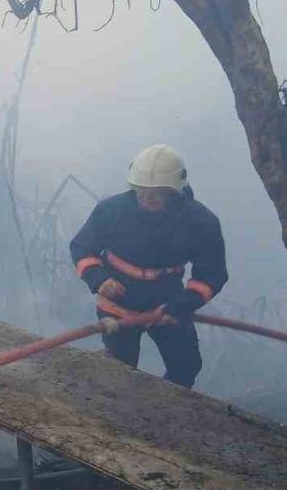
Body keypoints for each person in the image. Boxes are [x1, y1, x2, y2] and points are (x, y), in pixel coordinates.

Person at [69, 144, 228, 388]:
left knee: (185, 366)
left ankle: (165, 415)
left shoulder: (200, 222)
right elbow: (82, 248)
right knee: (119, 371)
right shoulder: (111, 211)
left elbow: (211, 274)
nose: (146, 197)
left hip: (167, 308)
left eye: (156, 192)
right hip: (118, 307)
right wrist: (98, 279)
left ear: (175, 190)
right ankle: (120, 417)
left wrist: (182, 305)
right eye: (140, 190)